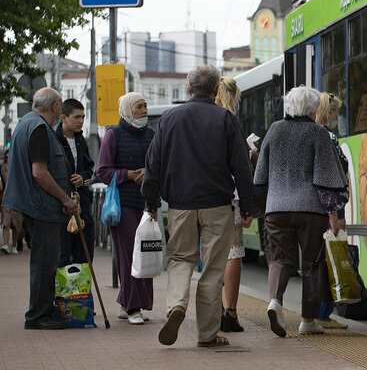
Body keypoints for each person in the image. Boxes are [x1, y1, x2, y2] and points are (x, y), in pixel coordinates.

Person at [143, 65, 254, 348]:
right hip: (217, 205)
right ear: (216, 90)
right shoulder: (226, 119)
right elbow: (241, 166)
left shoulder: (168, 119)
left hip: (180, 204)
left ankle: (176, 306)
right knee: (213, 269)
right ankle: (207, 334)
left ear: (188, 88)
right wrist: (249, 206)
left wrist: (151, 201)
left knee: (180, 259)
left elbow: (152, 164)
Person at [255, 85, 347, 337]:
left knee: (279, 258)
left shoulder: (274, 130)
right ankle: (307, 320)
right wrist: (334, 213)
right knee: (311, 264)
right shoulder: (318, 133)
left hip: (276, 208)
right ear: (313, 108)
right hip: (310, 210)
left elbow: (260, 175)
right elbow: (326, 178)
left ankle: (275, 301)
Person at [2, 88, 77, 329]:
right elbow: (39, 172)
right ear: (55, 105)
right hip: (41, 205)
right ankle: (38, 315)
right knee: (46, 261)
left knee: (43, 259)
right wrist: (65, 198)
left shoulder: (25, 123)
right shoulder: (39, 129)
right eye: (60, 105)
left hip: (32, 203)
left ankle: (41, 311)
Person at [96, 92, 155, 326]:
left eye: (145, 106)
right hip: (123, 204)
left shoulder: (151, 134)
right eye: (139, 107)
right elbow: (102, 170)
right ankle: (133, 307)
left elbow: (157, 164)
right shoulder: (114, 134)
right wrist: (129, 174)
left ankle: (125, 303)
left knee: (145, 253)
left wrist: (148, 174)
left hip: (146, 203)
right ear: (128, 110)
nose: (144, 111)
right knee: (130, 255)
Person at [313, 92, 349, 329]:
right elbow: (335, 176)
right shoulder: (328, 138)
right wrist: (337, 215)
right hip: (330, 208)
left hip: (315, 207)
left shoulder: (315, 135)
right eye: (335, 111)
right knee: (328, 260)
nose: (337, 116)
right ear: (329, 112)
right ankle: (322, 313)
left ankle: (317, 311)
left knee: (317, 259)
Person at [214, 77, 246, 333]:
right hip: (230, 196)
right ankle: (230, 312)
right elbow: (241, 165)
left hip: (202, 196)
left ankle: (211, 309)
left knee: (210, 253)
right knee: (232, 253)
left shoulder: (203, 117)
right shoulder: (230, 120)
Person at [55, 99, 95, 267]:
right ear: (63, 117)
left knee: (84, 258)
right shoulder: (55, 140)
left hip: (82, 206)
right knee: (62, 258)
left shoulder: (80, 141)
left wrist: (82, 178)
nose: (80, 121)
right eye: (76, 117)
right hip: (62, 207)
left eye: (83, 117)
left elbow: (89, 168)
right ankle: (62, 293)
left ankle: (83, 293)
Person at [0, 149, 25, 255]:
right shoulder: (4, 167)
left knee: (16, 223)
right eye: (6, 156)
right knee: (6, 220)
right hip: (6, 198)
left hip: (18, 198)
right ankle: (6, 244)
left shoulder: (20, 167)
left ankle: (14, 245)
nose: (8, 158)